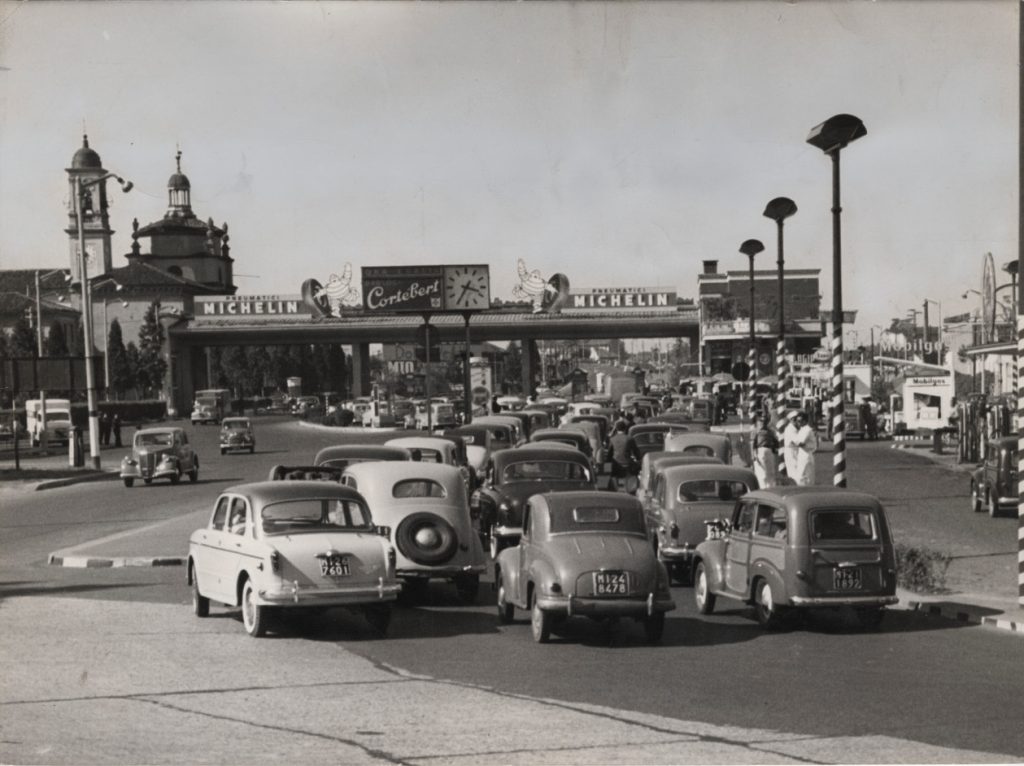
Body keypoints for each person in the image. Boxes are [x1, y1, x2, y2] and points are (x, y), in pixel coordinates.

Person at [750, 415, 778, 487]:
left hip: (766, 451)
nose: (763, 423)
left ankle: (768, 487)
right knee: (763, 473)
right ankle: (765, 487)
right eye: (761, 421)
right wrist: (753, 455)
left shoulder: (768, 431)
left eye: (764, 421)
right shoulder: (758, 431)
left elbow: (775, 442)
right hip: (762, 450)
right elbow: (752, 443)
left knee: (768, 472)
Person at [793, 411, 818, 486]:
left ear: (805, 421)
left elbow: (800, 443)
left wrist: (793, 441)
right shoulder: (802, 429)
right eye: (797, 421)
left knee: (805, 477)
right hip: (802, 454)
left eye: (800, 421)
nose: (798, 423)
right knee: (801, 476)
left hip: (806, 454)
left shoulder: (807, 429)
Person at [782, 411, 800, 480]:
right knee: (793, 472)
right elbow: (796, 441)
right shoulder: (790, 429)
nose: (796, 421)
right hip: (791, 452)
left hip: (795, 451)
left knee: (797, 470)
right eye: (794, 419)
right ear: (791, 420)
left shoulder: (795, 429)